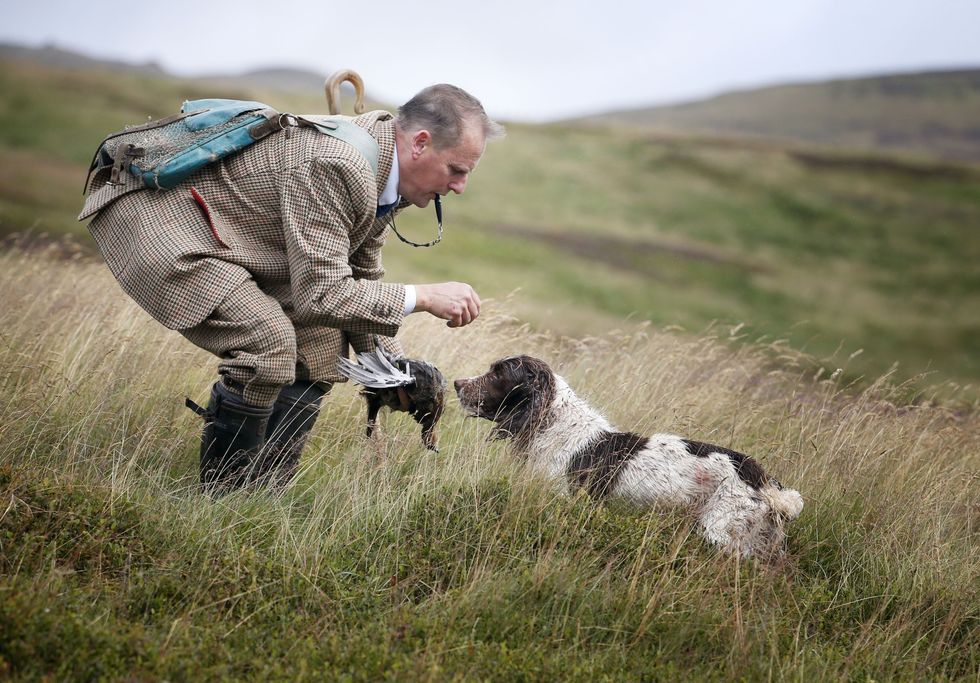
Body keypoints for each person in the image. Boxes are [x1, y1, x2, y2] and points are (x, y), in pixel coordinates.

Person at [78, 84, 505, 491]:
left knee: (320, 347)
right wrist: (424, 296)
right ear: (420, 143)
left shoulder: (383, 164)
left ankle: (262, 496)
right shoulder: (339, 164)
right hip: (159, 221)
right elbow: (321, 294)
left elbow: (358, 276)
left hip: (227, 232)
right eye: (456, 170)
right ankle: (224, 500)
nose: (460, 187)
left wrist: (391, 372)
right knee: (268, 343)